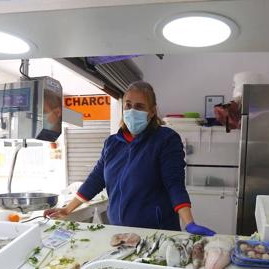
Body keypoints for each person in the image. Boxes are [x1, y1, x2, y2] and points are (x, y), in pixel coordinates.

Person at [44, 81, 214, 236]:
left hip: (156, 232)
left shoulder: (166, 139)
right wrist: (67, 210)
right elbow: (95, 180)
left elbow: (174, 184)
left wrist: (189, 223)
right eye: (128, 105)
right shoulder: (112, 143)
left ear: (152, 111)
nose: (132, 111)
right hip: (119, 231)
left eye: (140, 106)